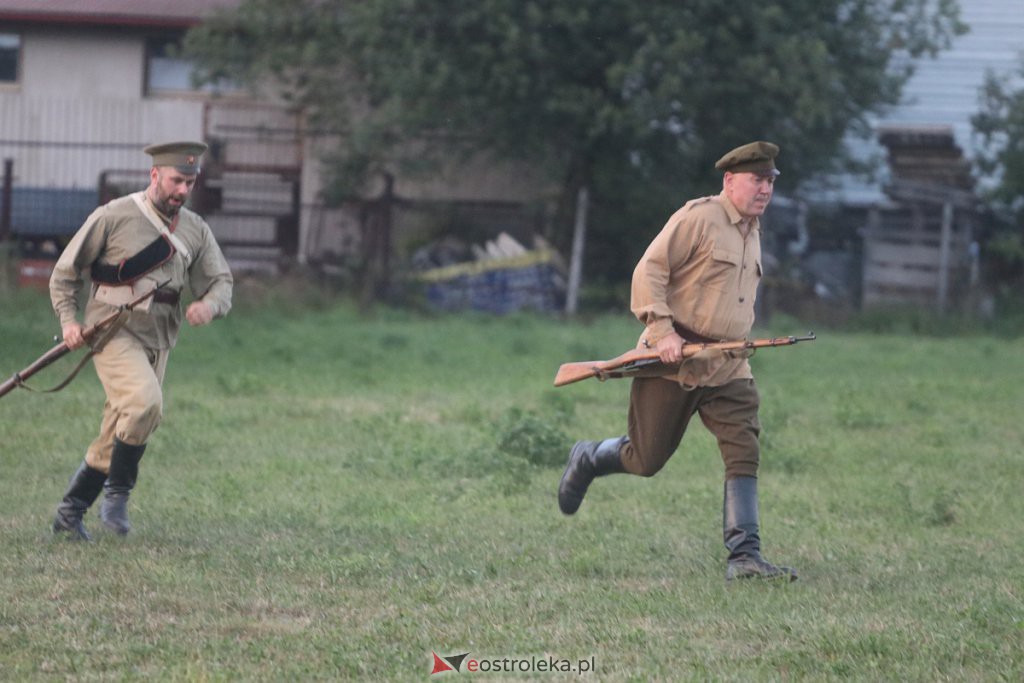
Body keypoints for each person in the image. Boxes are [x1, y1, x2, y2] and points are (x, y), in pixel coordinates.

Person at [558, 141, 797, 581]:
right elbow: (648, 270)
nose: (765, 189)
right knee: (646, 459)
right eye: (756, 180)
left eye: (769, 182)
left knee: (743, 448)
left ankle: (744, 556)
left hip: (729, 363)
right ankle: (591, 456)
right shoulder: (699, 218)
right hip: (673, 360)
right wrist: (663, 332)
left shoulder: (753, 228)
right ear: (730, 181)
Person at [49, 141, 233, 540]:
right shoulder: (113, 216)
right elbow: (65, 273)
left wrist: (210, 306)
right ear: (155, 175)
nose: (183, 190)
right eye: (176, 180)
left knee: (125, 421)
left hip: (160, 337)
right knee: (144, 403)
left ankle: (69, 514)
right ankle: (117, 495)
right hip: (113, 331)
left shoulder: (195, 229)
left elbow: (221, 282)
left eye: (190, 181)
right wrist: (68, 320)